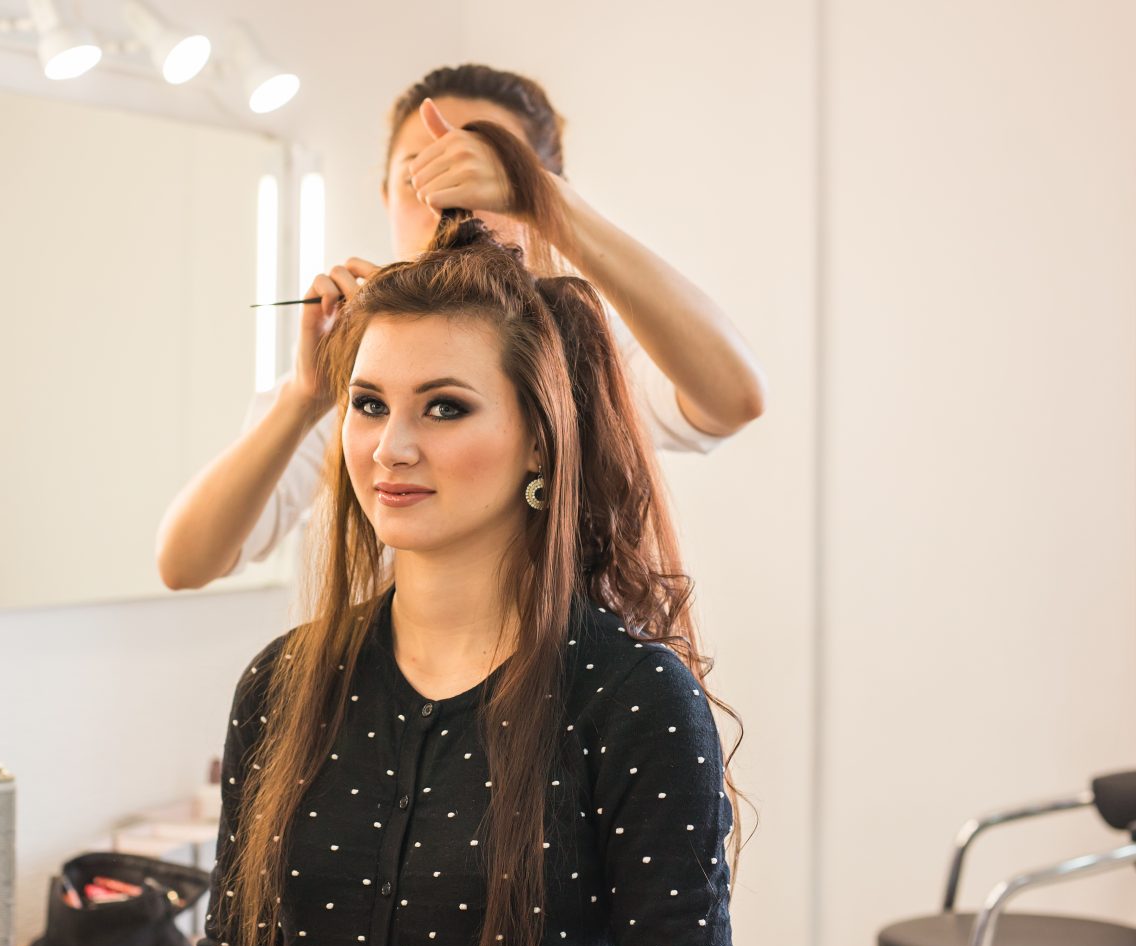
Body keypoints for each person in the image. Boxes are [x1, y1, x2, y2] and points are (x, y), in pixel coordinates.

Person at [189, 117, 745, 946]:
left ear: (540, 441)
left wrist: (548, 202)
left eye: (444, 408)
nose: (391, 449)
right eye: (369, 405)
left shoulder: (632, 702)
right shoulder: (282, 686)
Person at [157, 64, 766, 591]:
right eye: (419, 176)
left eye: (481, 173)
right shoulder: (352, 376)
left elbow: (732, 398)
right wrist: (304, 399)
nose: (448, 200)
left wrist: (553, 204)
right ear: (385, 195)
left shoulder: (583, 351)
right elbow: (186, 563)